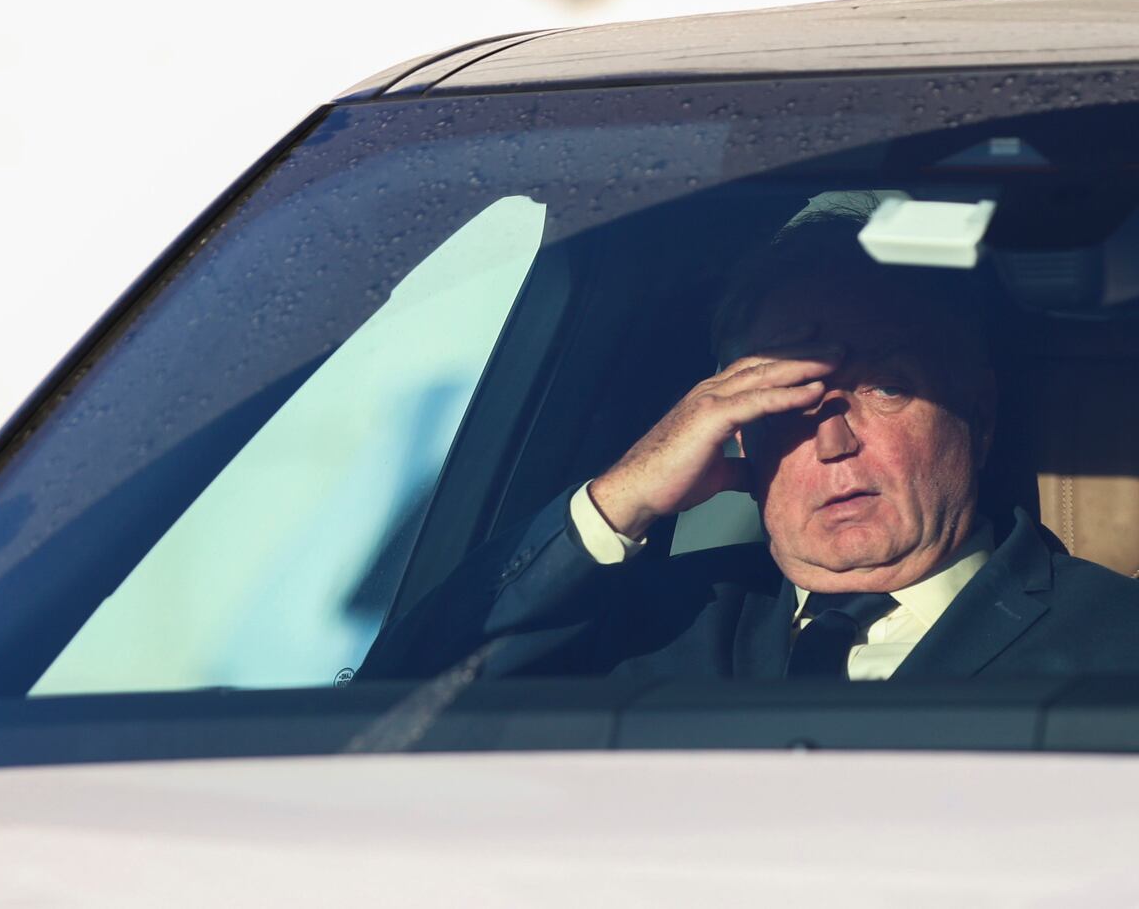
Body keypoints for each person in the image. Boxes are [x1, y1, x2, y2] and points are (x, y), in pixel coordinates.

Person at [364, 211, 1139, 683]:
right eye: (782, 401)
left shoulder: (1117, 642)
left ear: (978, 410)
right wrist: (620, 498)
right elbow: (388, 708)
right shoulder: (649, 622)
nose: (832, 439)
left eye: (884, 388)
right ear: (734, 434)